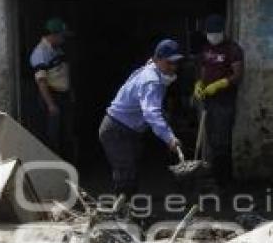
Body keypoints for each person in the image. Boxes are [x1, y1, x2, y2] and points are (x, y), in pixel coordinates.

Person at [98, 39, 183, 197]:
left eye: (176, 63)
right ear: (158, 60)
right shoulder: (151, 81)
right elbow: (151, 113)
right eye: (169, 63)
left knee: (131, 171)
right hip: (117, 130)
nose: (173, 67)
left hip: (127, 129)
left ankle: (128, 210)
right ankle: (122, 215)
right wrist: (169, 138)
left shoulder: (152, 70)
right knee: (126, 173)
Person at [194, 14, 244, 186]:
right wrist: (199, 84)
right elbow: (202, 68)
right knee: (212, 141)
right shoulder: (206, 48)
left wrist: (221, 84)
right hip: (208, 101)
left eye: (216, 32)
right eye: (210, 33)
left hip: (225, 102)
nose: (213, 36)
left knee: (223, 142)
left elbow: (237, 75)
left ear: (222, 31)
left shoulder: (233, 49)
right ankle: (215, 178)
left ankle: (224, 182)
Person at [30, 17, 74, 161]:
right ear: (53, 35)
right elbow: (41, 82)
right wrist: (51, 105)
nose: (64, 39)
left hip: (63, 96)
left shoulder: (57, 50)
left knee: (65, 134)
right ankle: (54, 169)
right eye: (62, 36)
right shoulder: (40, 52)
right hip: (51, 97)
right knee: (52, 136)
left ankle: (67, 166)